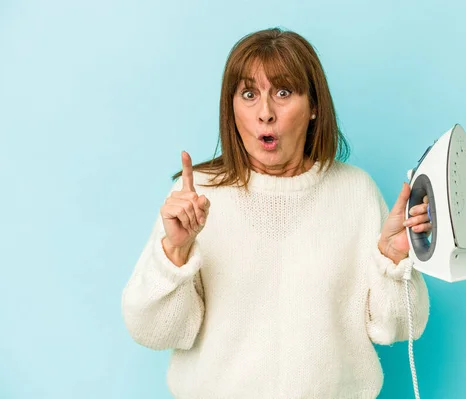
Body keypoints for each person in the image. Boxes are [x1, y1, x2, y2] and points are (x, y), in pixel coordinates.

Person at [121, 27, 430, 399]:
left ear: (314, 106)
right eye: (249, 94)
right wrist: (175, 253)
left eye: (283, 92)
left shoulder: (355, 191)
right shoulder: (196, 195)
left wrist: (393, 259)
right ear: (231, 108)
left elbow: (398, 327)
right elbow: (153, 330)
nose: (265, 113)